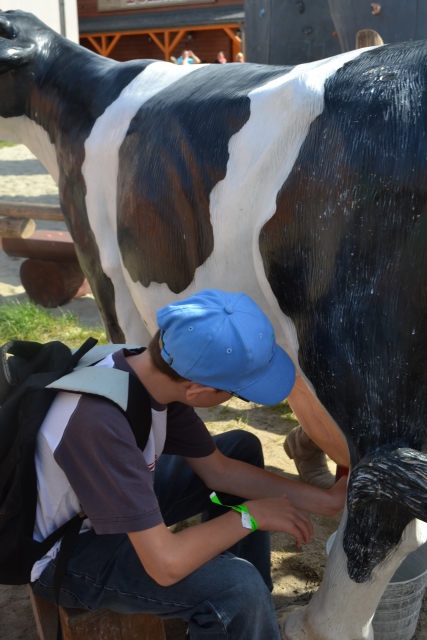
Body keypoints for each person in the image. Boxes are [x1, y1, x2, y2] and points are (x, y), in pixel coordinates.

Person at [31, 289, 346, 639]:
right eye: (237, 392)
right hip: (68, 553)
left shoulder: (152, 369)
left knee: (240, 448)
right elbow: (165, 565)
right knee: (236, 586)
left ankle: (246, 616)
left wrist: (328, 501)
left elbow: (219, 471)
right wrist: (250, 516)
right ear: (196, 391)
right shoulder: (100, 424)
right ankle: (240, 604)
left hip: (102, 506)